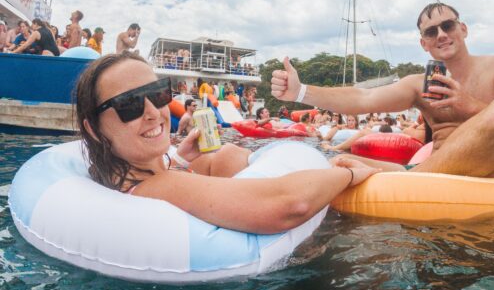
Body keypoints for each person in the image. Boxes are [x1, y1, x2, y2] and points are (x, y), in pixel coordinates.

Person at [75, 52, 377, 233]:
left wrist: (178, 159)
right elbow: (291, 204)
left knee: (226, 154)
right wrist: (346, 174)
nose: (154, 113)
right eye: (129, 104)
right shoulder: (156, 188)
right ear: (92, 128)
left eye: (157, 94)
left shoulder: (133, 174)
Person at [272, 1, 494, 179]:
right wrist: (299, 92)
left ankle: (412, 180)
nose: (441, 35)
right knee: (340, 162)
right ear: (424, 44)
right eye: (431, 32)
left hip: (488, 174)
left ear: (463, 29)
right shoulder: (419, 84)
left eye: (447, 26)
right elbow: (364, 97)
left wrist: (469, 105)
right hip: (433, 173)